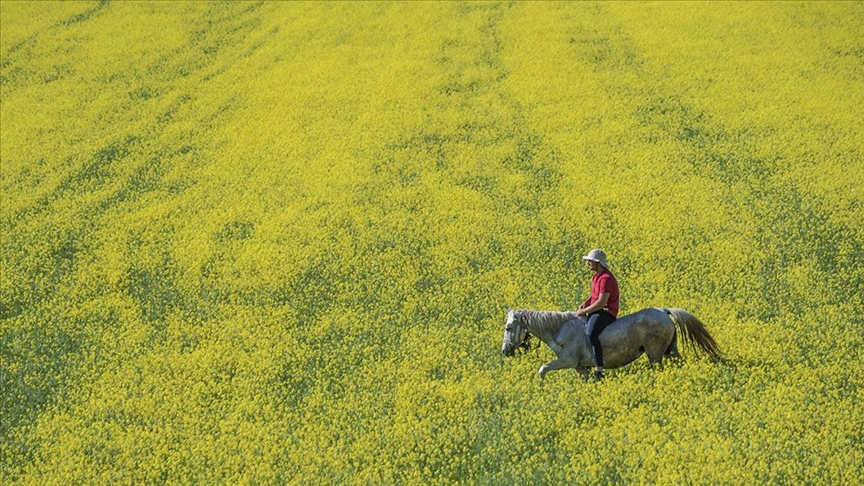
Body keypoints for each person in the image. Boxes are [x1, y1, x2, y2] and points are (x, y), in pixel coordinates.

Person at [576, 249, 619, 381]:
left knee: (591, 334)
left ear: (597, 262)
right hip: (597, 310)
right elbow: (594, 296)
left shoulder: (606, 279)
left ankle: (599, 370)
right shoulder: (596, 277)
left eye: (590, 261)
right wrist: (585, 303)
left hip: (606, 312)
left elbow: (601, 302)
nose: (588, 263)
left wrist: (584, 311)